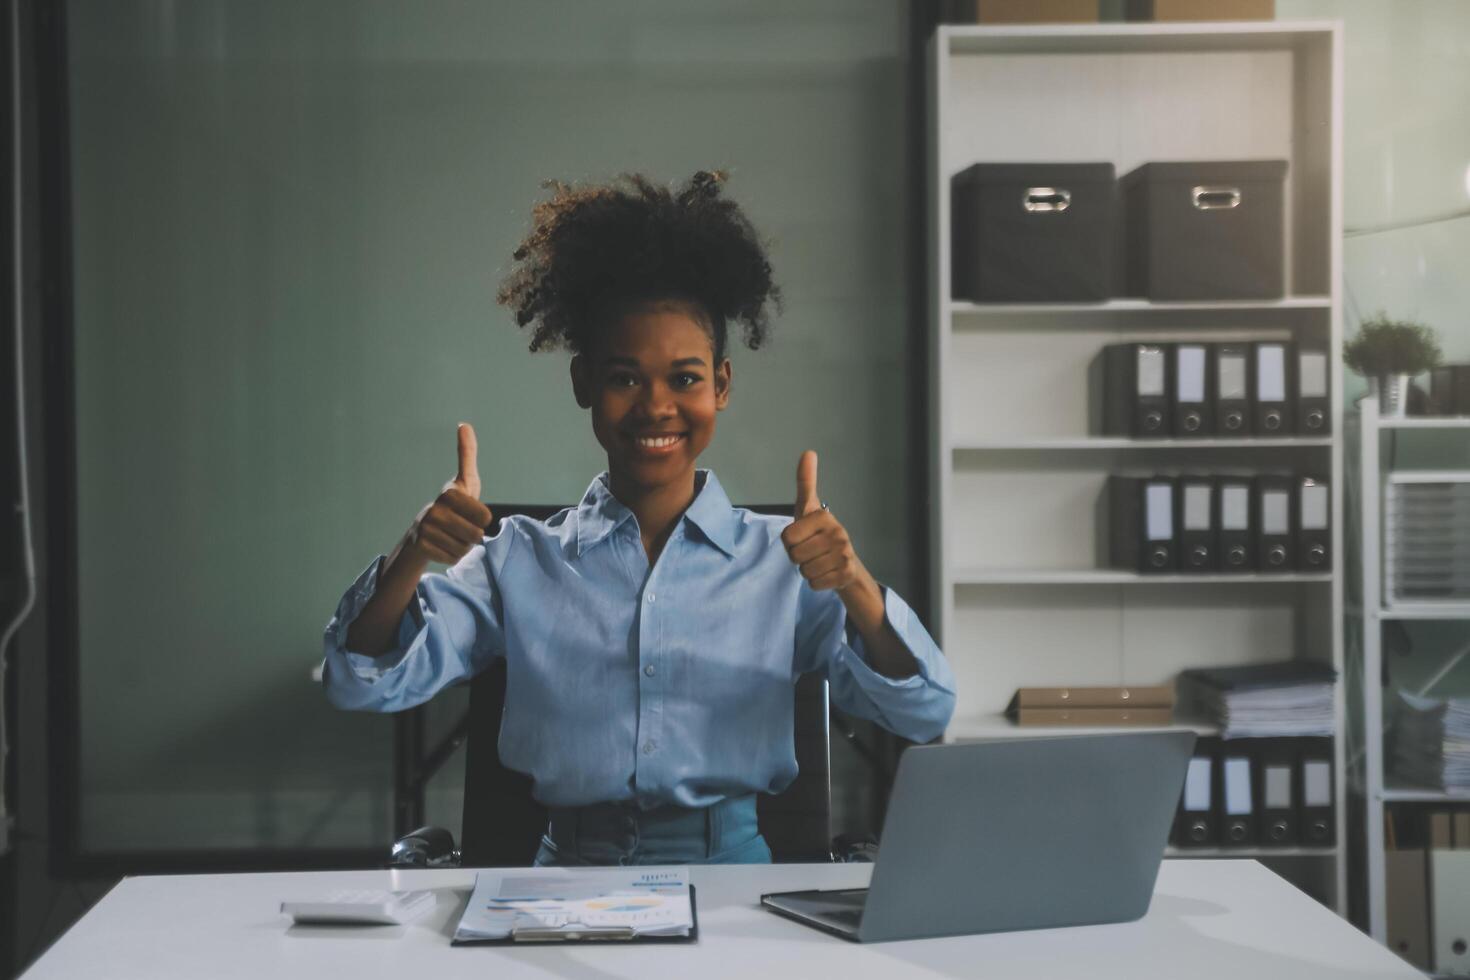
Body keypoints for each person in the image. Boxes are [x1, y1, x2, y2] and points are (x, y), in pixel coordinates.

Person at [322, 170, 955, 866]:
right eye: (625, 377)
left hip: (734, 888)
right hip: (558, 886)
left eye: (684, 378)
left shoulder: (790, 562)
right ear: (583, 382)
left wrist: (856, 586)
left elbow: (924, 709)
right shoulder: (515, 560)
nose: (656, 406)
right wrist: (413, 553)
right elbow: (359, 681)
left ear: (721, 385)